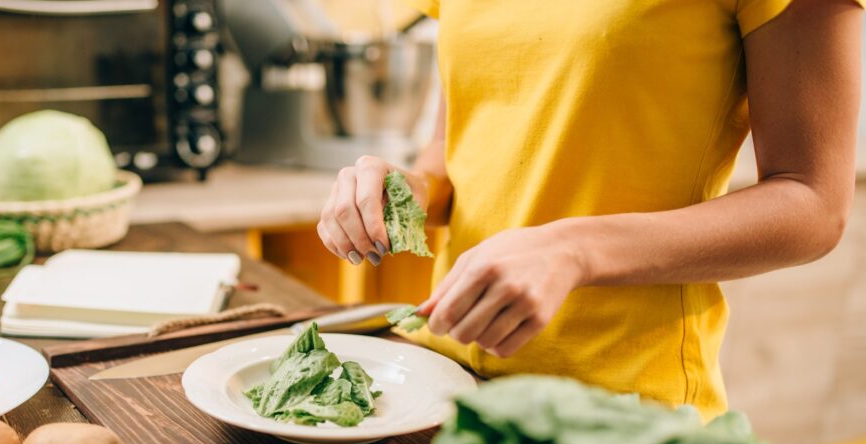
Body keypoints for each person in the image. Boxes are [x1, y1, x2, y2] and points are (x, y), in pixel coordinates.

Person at [315, 0, 864, 419]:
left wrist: (573, 249)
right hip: (450, 383)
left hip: (621, 413)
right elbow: (458, 147)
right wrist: (405, 190)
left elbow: (813, 201)